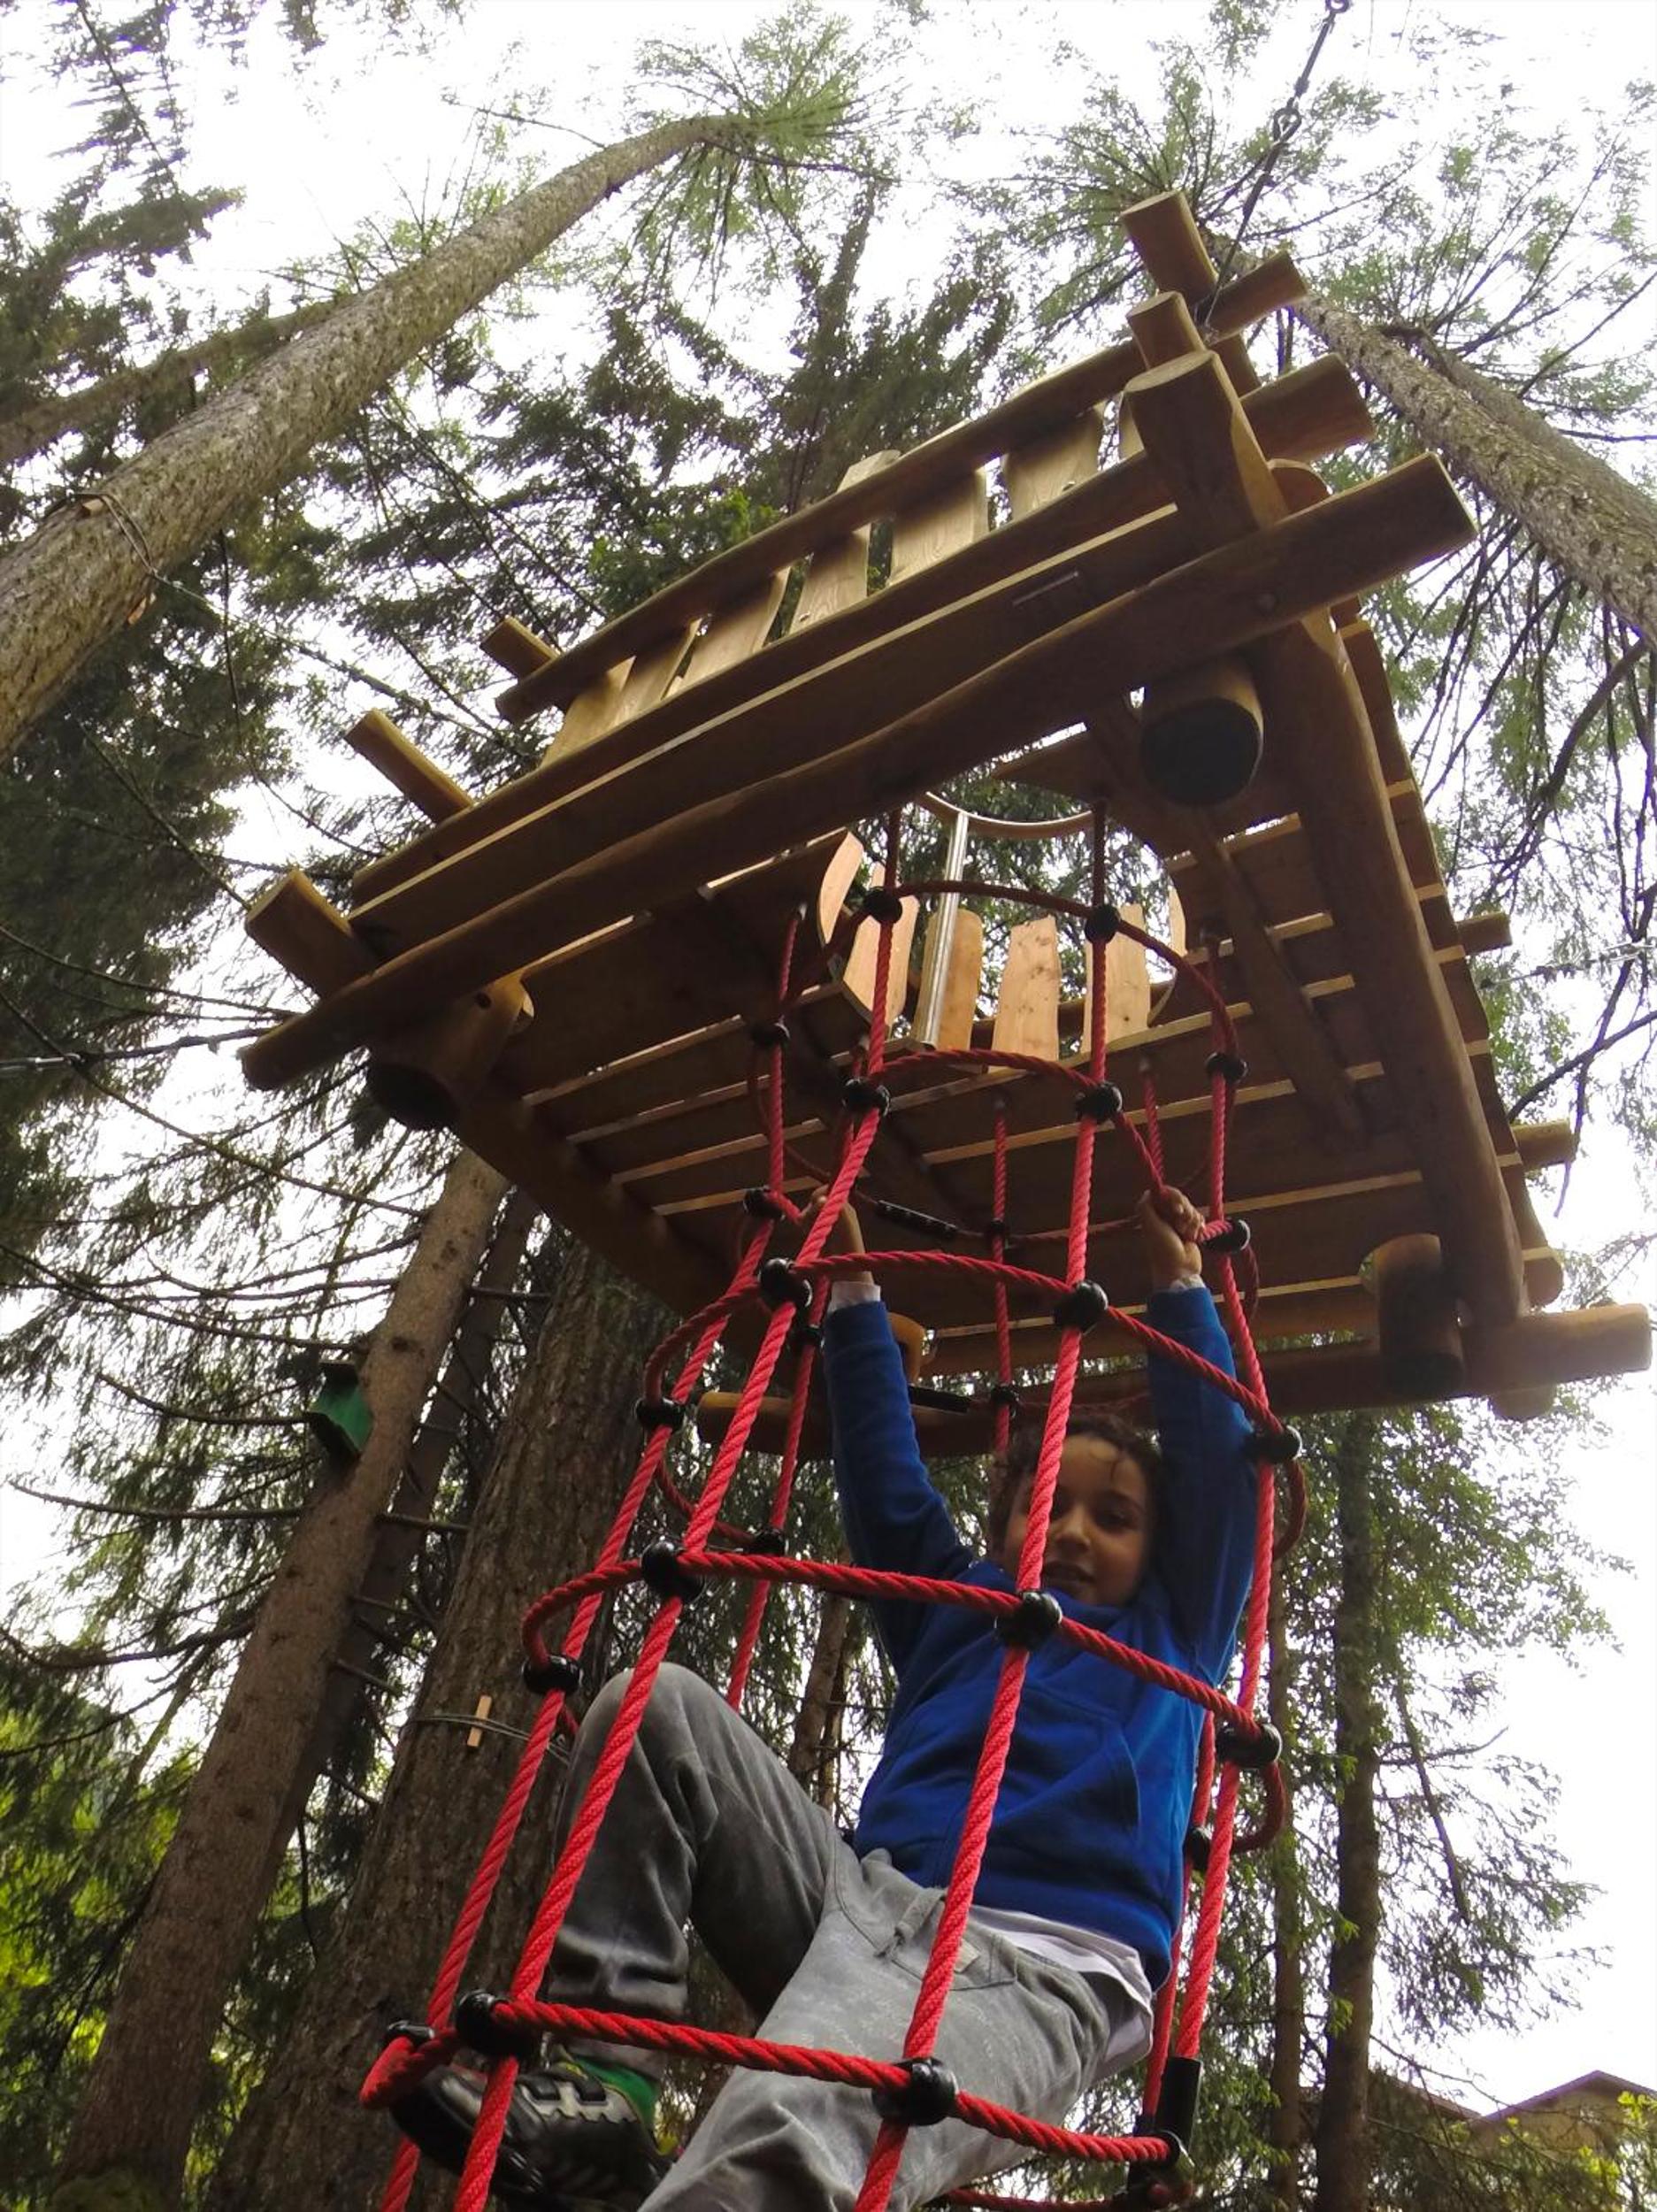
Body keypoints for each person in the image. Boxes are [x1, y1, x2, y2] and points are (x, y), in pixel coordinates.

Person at [392, 1185, 1257, 2211]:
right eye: (1047, 1504)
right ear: (1003, 1527)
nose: (1072, 1531)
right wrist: (851, 1290)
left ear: (1159, 1553)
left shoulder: (1170, 1633)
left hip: (1032, 1968)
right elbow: (886, 1484)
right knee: (653, 1709)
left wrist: (1180, 1288)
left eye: (1112, 1518)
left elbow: (1222, 1481)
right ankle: (607, 2083)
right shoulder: (960, 1612)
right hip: (858, 1903)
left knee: (785, 2134)